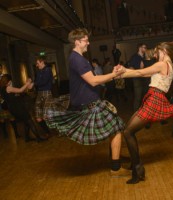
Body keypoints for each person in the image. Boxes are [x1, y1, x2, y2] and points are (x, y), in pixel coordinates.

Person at [45, 28, 130, 177]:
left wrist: (111, 74)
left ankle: (115, 158)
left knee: (115, 129)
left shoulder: (76, 58)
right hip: (91, 104)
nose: (88, 43)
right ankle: (115, 168)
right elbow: (93, 80)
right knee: (116, 130)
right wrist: (114, 74)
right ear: (77, 42)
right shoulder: (78, 59)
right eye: (85, 40)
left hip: (91, 102)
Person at [120, 42, 173, 184]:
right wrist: (124, 70)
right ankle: (135, 164)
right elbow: (145, 75)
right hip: (153, 97)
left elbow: (140, 72)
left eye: (157, 52)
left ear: (164, 51)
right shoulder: (168, 64)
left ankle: (137, 169)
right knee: (128, 130)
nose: (156, 55)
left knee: (128, 132)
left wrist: (120, 72)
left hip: (154, 99)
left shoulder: (163, 64)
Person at [0, 74, 47, 142]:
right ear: (9, 81)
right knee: (30, 121)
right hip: (17, 108)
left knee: (26, 121)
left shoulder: (2, 89)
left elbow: (14, 94)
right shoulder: (8, 88)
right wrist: (27, 83)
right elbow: (20, 90)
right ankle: (38, 138)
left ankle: (27, 138)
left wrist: (25, 87)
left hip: (13, 108)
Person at [33, 57, 53, 137]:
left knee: (45, 116)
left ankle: (59, 130)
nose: (37, 65)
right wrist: (34, 83)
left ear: (42, 62)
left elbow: (44, 81)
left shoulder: (47, 70)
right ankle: (47, 132)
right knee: (38, 116)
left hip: (47, 92)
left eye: (38, 63)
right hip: (39, 93)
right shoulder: (38, 71)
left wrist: (34, 84)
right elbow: (37, 81)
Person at [0, 64, 19, 139]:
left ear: (2, 68)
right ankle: (5, 134)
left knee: (12, 117)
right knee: (2, 119)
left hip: (8, 99)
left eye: (0, 68)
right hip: (0, 101)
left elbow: (10, 86)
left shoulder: (5, 77)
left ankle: (16, 134)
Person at [128, 43, 147, 113]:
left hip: (145, 79)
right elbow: (130, 68)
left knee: (145, 97)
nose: (145, 49)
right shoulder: (134, 57)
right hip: (137, 80)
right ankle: (135, 114)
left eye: (145, 47)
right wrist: (139, 70)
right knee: (138, 98)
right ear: (139, 48)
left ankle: (144, 113)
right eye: (144, 47)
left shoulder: (146, 56)